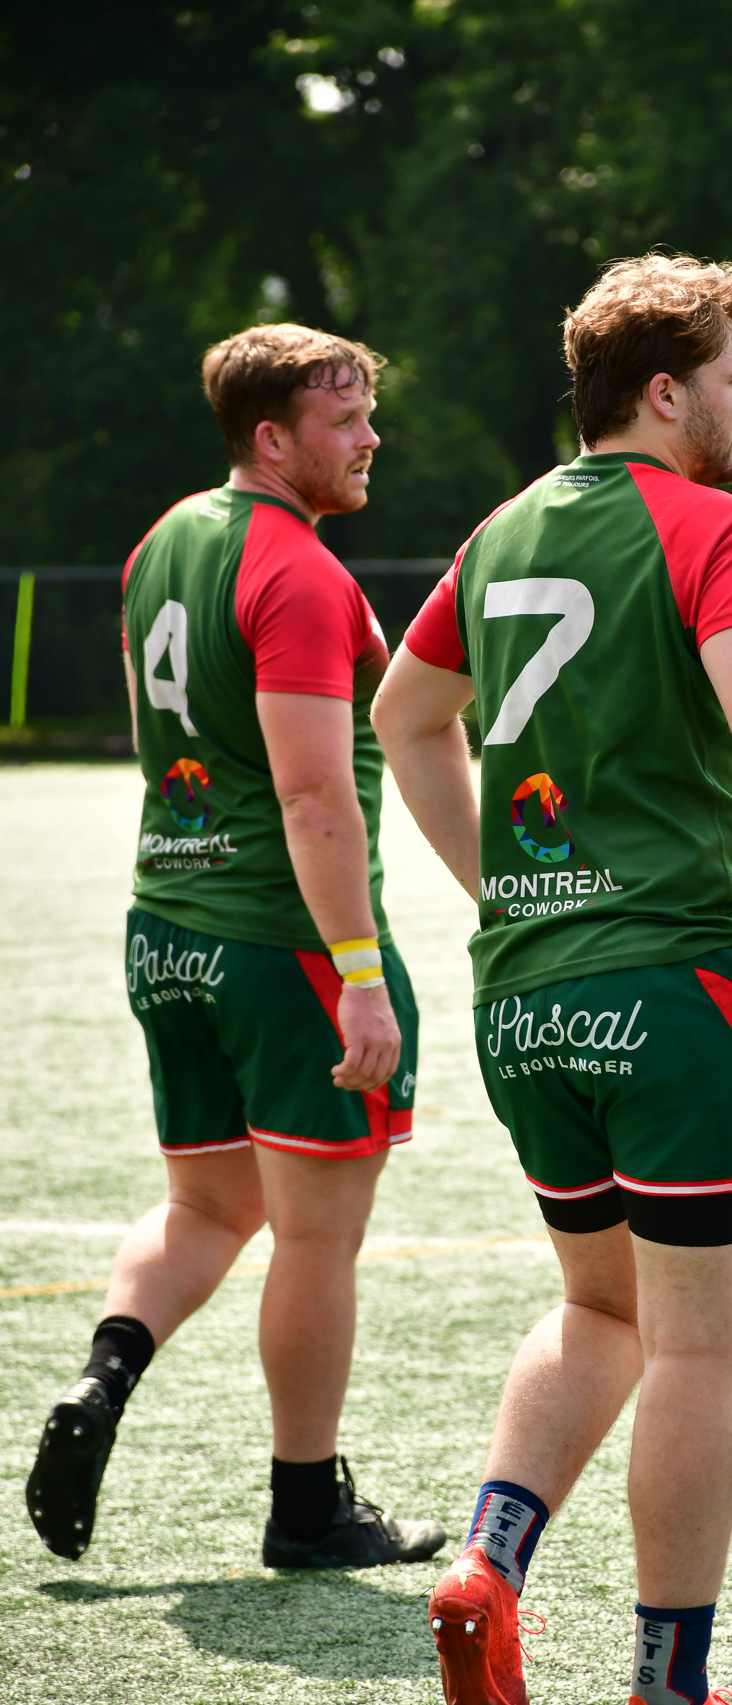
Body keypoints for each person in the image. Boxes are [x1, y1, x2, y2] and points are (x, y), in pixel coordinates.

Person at [369, 253, 732, 1705]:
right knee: (693, 1349)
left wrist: (508, 891)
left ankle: (485, 1560)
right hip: (676, 989)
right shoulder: (714, 524)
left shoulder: (503, 529)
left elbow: (406, 718)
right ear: (663, 391)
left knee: (598, 1306)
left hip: (528, 1004)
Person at [26, 324, 445, 1571]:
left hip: (165, 928)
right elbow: (318, 798)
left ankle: (102, 1381)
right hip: (284, 949)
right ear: (272, 437)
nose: (372, 436)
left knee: (205, 1207)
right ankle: (306, 1506)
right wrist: (363, 978)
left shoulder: (162, 544)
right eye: (345, 417)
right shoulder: (301, 573)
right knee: (316, 1237)